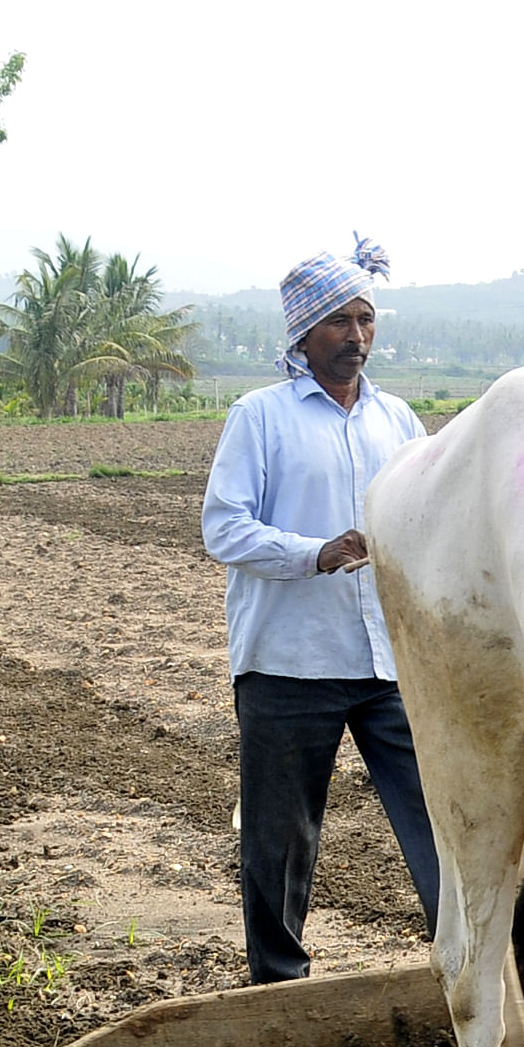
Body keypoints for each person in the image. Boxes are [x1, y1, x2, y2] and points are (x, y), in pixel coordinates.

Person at [200, 234, 442, 984]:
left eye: (366, 320)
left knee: (441, 817)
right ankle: (279, 986)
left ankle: (469, 964)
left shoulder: (398, 422)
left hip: (389, 662)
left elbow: (433, 515)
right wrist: (317, 553)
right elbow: (224, 527)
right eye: (340, 322)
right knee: (279, 841)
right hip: (289, 662)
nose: (357, 338)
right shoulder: (260, 417)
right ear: (303, 332)